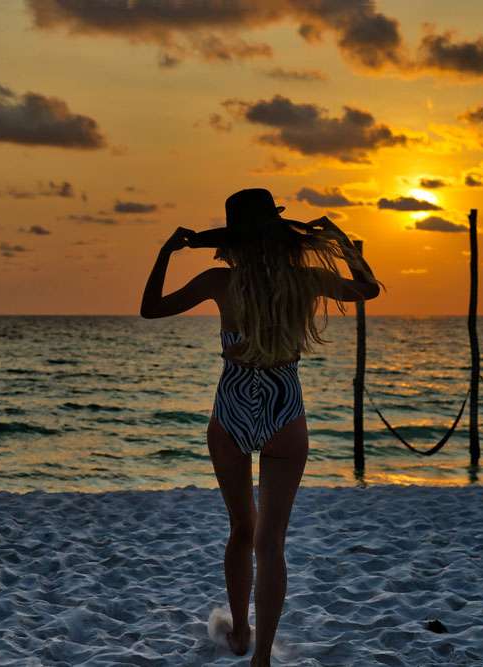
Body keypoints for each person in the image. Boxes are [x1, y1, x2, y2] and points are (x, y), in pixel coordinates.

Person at [140, 188, 381, 666]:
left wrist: (166, 252)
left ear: (234, 241)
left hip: (231, 408)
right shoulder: (305, 281)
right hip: (283, 407)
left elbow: (151, 307)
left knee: (240, 531)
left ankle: (240, 634)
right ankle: (262, 657)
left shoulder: (218, 281)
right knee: (272, 542)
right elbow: (368, 290)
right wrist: (347, 248)